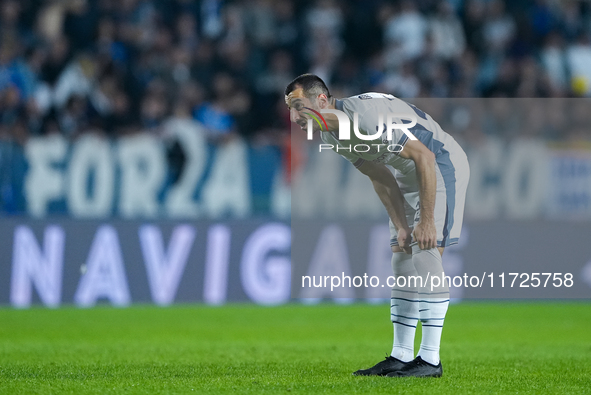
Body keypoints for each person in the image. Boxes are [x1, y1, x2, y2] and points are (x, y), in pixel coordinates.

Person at [285, 74, 470, 378]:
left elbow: (424, 155)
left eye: (298, 106)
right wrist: (401, 225)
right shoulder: (332, 135)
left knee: (425, 252)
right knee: (401, 255)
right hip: (409, 174)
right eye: (290, 110)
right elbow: (380, 177)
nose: (294, 117)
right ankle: (401, 355)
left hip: (439, 164)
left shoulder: (366, 119)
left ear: (321, 101)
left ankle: (431, 360)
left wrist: (424, 221)